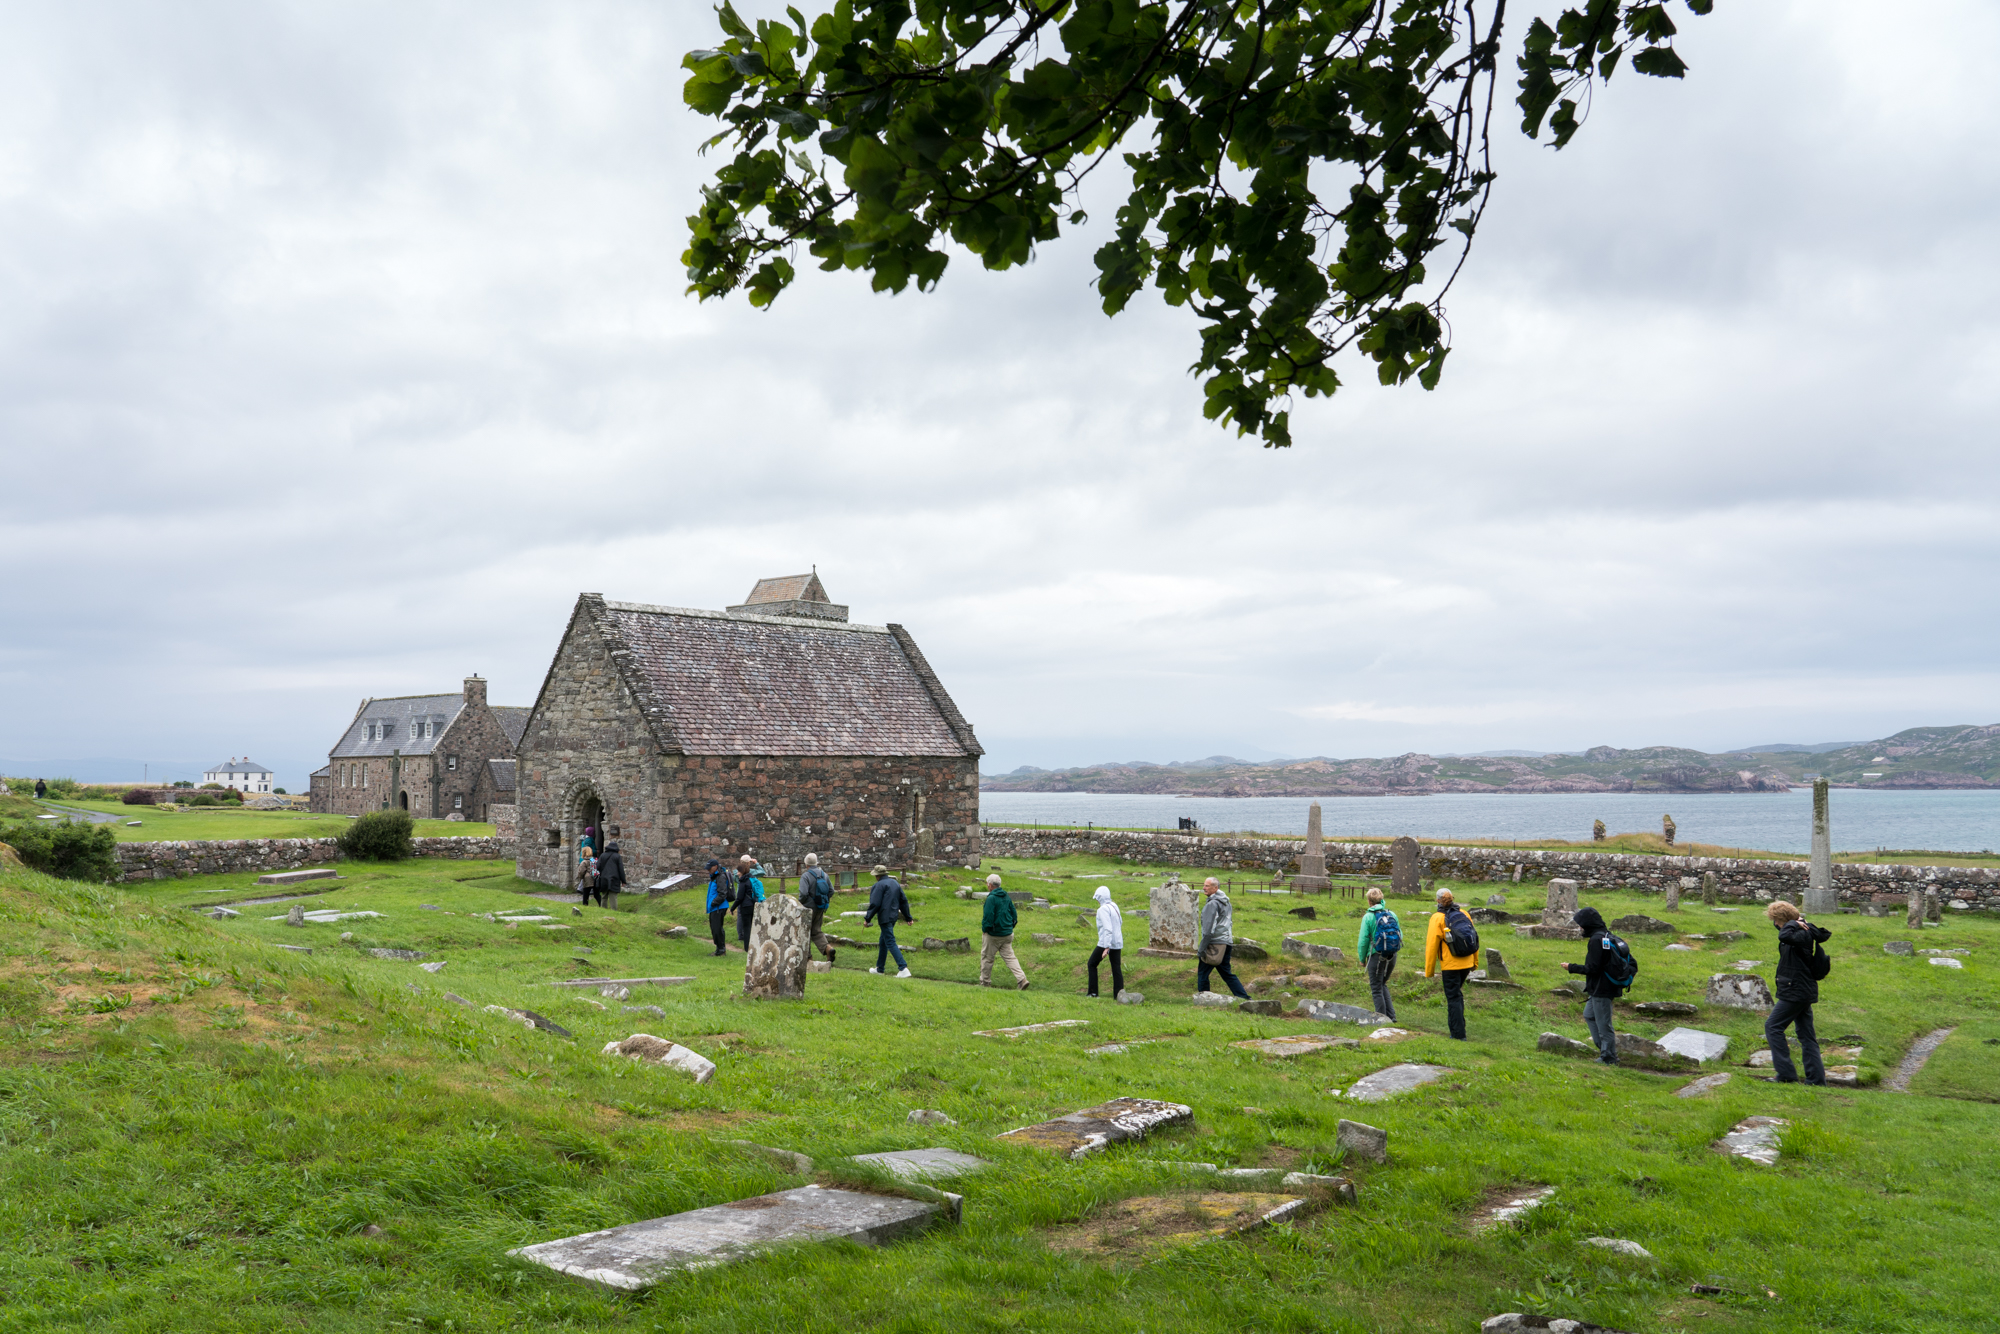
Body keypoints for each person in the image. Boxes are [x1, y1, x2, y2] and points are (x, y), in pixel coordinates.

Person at [1766, 900, 1831, 1086]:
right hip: (1800, 988)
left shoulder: (1800, 933)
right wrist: (1794, 921)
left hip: (1795, 990)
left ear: (1783, 920)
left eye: (1776, 921)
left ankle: (1786, 1075)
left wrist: (1793, 922)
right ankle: (1816, 1080)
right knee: (1806, 1035)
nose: (1776, 925)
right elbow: (1782, 931)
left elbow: (1784, 935)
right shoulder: (1798, 930)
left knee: (1772, 1027)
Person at [1565, 905, 1620, 1064]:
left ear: (1589, 923)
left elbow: (1594, 968)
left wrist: (1571, 967)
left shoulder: (1597, 940)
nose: (1580, 928)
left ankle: (1609, 1057)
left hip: (1602, 988)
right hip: (1600, 986)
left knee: (1604, 1025)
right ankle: (1604, 1050)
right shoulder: (1605, 936)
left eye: (1581, 924)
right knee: (1589, 1015)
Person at [1422, 886, 1479, 1040]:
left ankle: (1458, 1034)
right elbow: (1473, 939)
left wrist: (1429, 971)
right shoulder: (1464, 913)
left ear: (1438, 900)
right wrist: (1475, 962)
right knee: (1457, 995)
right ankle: (1458, 1028)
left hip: (1451, 964)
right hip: (1466, 963)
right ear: (1452, 898)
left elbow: (1432, 945)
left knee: (1453, 997)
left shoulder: (1437, 918)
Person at [1197, 877, 1251, 999]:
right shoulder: (1226, 902)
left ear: (1215, 888)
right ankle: (1244, 997)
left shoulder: (1212, 904)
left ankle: (1203, 998)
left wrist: (1201, 949)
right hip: (1227, 942)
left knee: (1203, 972)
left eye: (1207, 886)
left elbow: (1208, 930)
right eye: (1204, 885)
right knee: (1226, 973)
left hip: (1214, 943)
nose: (1204, 888)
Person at [1355, 887, 1401, 1020]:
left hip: (1376, 956)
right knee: (1382, 983)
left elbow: (1363, 941)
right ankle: (1391, 1017)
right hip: (1392, 955)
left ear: (1369, 901)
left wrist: (1362, 959)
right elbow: (1400, 935)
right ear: (1382, 900)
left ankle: (1381, 1019)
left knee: (1376, 987)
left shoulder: (1368, 917)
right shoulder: (1392, 914)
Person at [979, 873, 1028, 989]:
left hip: (994, 934)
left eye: (987, 884)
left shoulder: (991, 898)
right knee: (1010, 957)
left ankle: (985, 983)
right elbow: (1013, 913)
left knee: (987, 958)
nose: (987, 886)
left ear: (990, 885)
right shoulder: (1006, 896)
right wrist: (1011, 926)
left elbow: (988, 916)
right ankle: (1022, 979)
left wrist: (985, 929)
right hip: (1007, 933)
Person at [864, 864, 912, 978]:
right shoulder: (895, 883)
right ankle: (880, 968)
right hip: (893, 916)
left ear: (877, 876)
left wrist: (867, 918)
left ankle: (903, 968)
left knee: (890, 941)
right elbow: (903, 901)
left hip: (884, 917)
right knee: (883, 941)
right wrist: (908, 917)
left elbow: (875, 904)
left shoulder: (878, 885)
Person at [797, 852, 836, 963]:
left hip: (808, 908)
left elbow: (803, 893)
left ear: (806, 864)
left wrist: (800, 904)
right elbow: (831, 891)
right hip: (821, 907)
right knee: (816, 931)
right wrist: (823, 900)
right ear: (816, 862)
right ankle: (828, 949)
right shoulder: (824, 874)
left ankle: (808, 958)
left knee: (805, 931)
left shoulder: (806, 876)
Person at [1087, 885, 1123, 998]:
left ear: (1100, 898)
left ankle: (1093, 993)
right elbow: (1120, 922)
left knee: (1092, 963)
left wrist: (1106, 947)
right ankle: (1118, 994)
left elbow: (1107, 928)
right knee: (1116, 968)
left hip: (1105, 942)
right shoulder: (1114, 906)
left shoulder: (1102, 910)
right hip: (1117, 942)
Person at [734, 854, 765, 949]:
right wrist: (757, 863)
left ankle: (741, 935)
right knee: (750, 918)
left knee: (740, 915)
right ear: (748, 863)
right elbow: (762, 872)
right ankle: (750, 936)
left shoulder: (736, 871)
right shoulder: (751, 872)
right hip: (749, 897)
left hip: (740, 894)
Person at [703, 859, 732, 956]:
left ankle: (721, 950)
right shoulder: (715, 876)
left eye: (710, 868)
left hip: (719, 907)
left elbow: (722, 893)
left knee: (717, 929)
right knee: (715, 928)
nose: (708, 870)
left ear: (715, 867)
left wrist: (713, 903)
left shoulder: (720, 877)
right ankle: (719, 949)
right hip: (716, 907)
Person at [597, 840, 626, 911]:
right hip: (614, 878)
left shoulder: (603, 855)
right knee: (613, 897)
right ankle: (614, 911)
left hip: (603, 878)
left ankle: (603, 911)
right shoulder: (617, 856)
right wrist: (623, 880)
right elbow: (621, 869)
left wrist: (603, 872)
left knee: (604, 896)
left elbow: (597, 866)